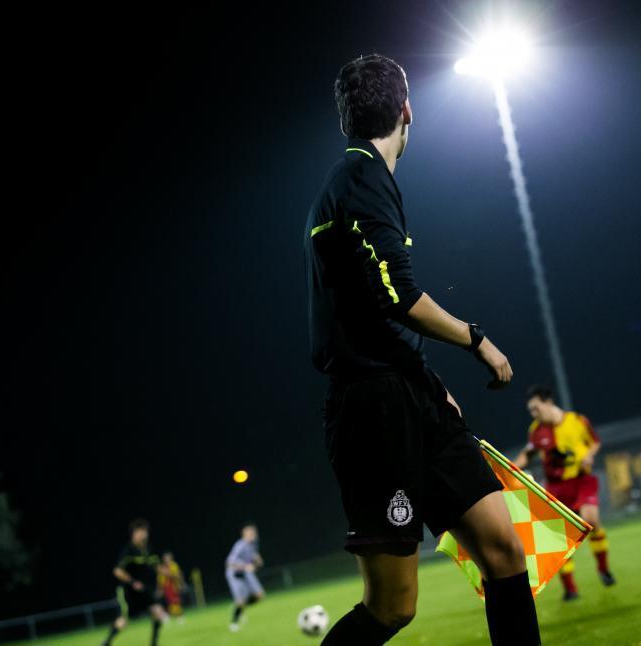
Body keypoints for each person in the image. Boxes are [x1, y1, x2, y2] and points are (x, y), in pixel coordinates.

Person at [305, 54, 540, 645]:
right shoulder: (358, 179)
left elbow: (374, 308)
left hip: (412, 395)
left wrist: (429, 385)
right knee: (392, 607)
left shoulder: (365, 180)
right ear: (407, 110)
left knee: (505, 550)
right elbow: (398, 296)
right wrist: (477, 340)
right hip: (372, 413)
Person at [514, 385, 616, 601]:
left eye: (536, 408)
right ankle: (570, 589)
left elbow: (595, 442)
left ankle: (603, 569)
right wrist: (511, 468)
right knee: (557, 539)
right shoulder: (536, 430)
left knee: (591, 520)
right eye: (531, 411)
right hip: (555, 488)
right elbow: (528, 454)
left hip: (581, 480)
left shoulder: (577, 421)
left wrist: (588, 455)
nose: (534, 414)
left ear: (548, 402)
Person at [102, 519, 167, 646]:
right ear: (134, 534)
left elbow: (157, 566)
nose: (144, 534)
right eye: (141, 532)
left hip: (143, 590)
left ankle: (154, 644)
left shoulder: (148, 550)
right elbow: (117, 571)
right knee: (123, 621)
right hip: (128, 591)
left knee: (158, 612)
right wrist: (132, 582)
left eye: (145, 531)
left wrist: (169, 573)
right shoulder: (128, 551)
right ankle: (106, 643)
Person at [226, 523, 265, 632]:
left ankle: (238, 607)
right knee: (241, 601)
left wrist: (258, 561)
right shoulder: (240, 545)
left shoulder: (253, 544)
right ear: (244, 534)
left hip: (246, 573)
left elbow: (254, 556)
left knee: (259, 596)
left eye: (254, 533)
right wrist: (245, 566)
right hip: (235, 574)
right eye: (250, 533)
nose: (253, 535)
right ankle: (234, 623)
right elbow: (229, 563)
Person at [157, 552, 186, 621]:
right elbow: (160, 579)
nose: (166, 560)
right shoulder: (162, 567)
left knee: (175, 601)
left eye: (168, 558)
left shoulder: (174, 565)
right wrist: (160, 588)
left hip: (173, 585)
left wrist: (181, 584)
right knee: (168, 602)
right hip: (165, 587)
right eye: (165, 559)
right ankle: (167, 616)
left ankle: (179, 615)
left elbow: (178, 575)